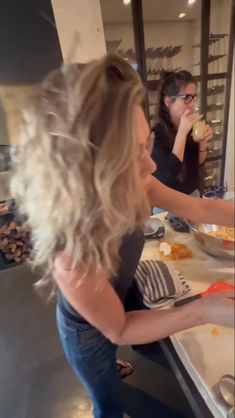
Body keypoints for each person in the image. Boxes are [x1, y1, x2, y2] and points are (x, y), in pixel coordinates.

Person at [11, 55, 234, 418]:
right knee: (107, 401)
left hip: (117, 292)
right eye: (130, 156)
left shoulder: (137, 180)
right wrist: (201, 310)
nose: (150, 166)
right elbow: (119, 328)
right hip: (87, 332)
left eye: (145, 144)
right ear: (87, 178)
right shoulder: (70, 255)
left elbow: (204, 210)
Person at [151, 70, 213, 202]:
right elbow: (168, 175)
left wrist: (202, 146)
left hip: (193, 195)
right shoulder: (156, 134)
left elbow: (198, 163)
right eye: (187, 98)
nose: (192, 105)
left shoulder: (193, 127)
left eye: (194, 98)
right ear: (168, 102)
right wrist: (182, 134)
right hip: (167, 201)